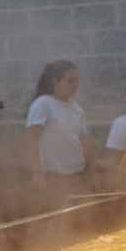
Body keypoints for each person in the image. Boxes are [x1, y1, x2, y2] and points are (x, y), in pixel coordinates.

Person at [25, 60, 96, 202]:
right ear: (55, 81)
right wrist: (37, 173)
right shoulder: (43, 104)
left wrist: (92, 168)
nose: (75, 86)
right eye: (70, 81)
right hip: (53, 177)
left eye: (77, 81)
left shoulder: (76, 108)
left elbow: (84, 141)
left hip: (77, 175)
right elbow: (32, 139)